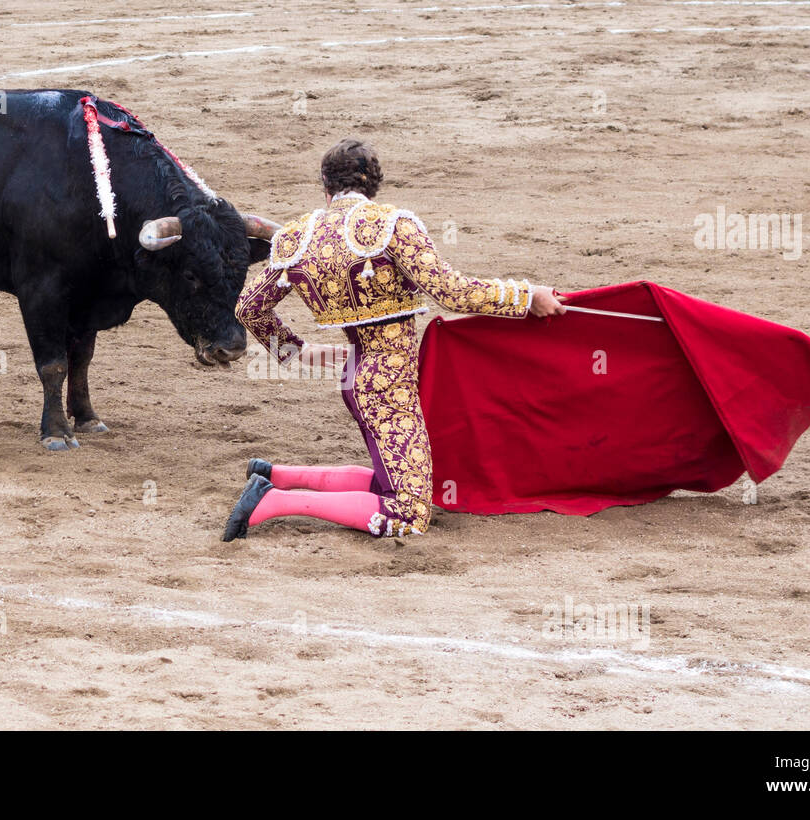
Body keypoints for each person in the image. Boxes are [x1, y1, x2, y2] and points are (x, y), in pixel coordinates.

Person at [224, 139, 565, 540]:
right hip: (390, 381)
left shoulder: (297, 236)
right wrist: (525, 297)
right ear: (375, 183)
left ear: (325, 184)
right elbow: (451, 292)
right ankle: (271, 500)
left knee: (390, 483)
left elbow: (248, 308)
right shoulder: (392, 224)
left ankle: (275, 474)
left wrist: (298, 351)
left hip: (356, 376)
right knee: (407, 513)